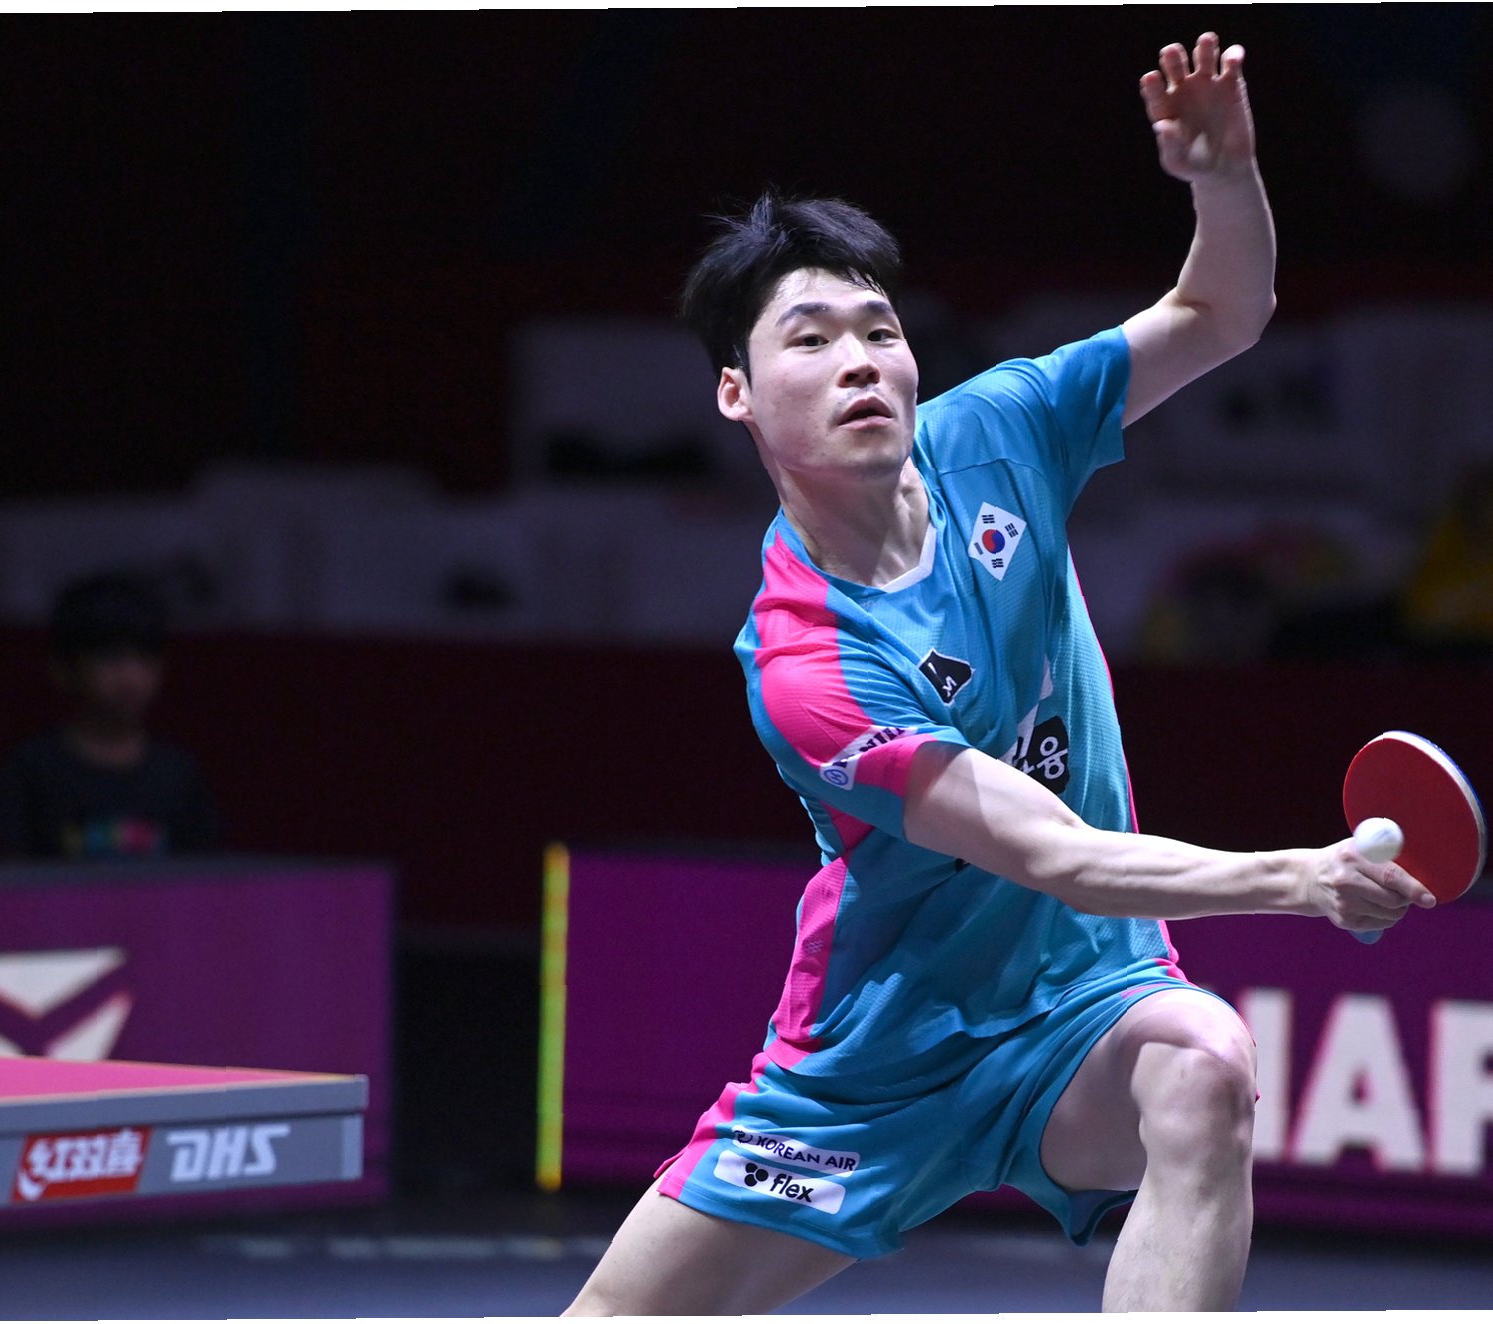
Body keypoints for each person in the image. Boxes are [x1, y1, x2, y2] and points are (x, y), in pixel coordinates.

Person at [565, 34, 1432, 1315]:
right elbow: (1053, 853)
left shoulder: (1000, 431)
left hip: (1082, 1004)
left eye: (879, 329)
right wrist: (1295, 879)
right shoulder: (807, 660)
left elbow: (1218, 314)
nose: (861, 359)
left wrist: (1223, 181)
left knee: (1204, 1064)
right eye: (813, 339)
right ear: (738, 393)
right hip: (873, 1067)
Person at [0, 571, 222, 860]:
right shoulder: (32, 771)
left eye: (145, 658)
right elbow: (7, 873)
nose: (130, 677)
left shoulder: (178, 775)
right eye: (110, 657)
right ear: (63, 670)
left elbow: (203, 874)